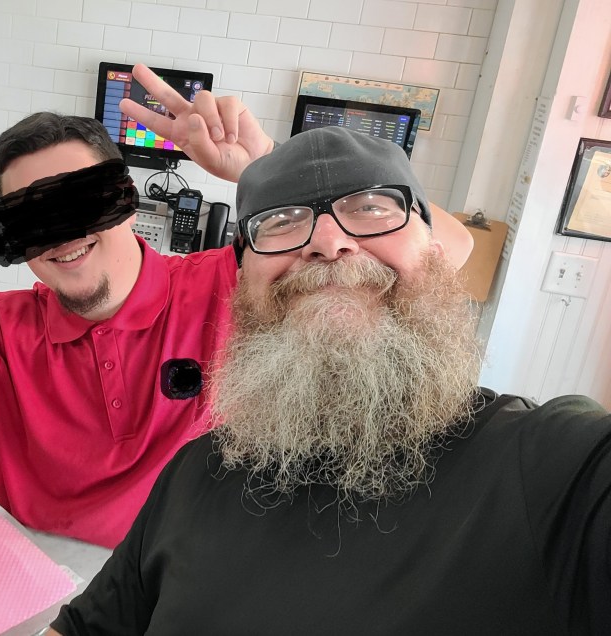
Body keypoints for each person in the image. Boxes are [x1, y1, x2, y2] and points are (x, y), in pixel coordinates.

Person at [0, 64, 473, 548]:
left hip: (183, 590)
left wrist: (269, 169)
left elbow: (449, 247)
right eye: (34, 218)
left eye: (82, 202)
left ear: (125, 201)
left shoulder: (234, 286)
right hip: (36, 585)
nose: (65, 235)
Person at [48, 127, 611, 635]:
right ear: (244, 283)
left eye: (371, 207)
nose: (327, 241)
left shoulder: (550, 468)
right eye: (280, 221)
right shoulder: (196, 473)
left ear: (436, 255)